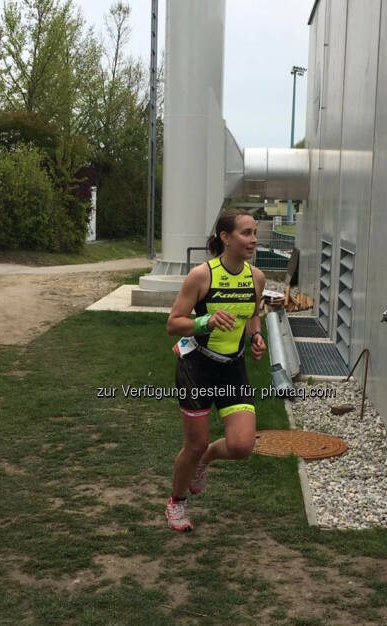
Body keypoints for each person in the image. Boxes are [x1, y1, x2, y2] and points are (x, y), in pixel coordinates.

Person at [165, 208, 267, 532]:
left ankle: (206, 459)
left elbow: (252, 314)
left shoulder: (257, 278)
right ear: (225, 237)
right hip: (197, 367)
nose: (253, 240)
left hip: (232, 368)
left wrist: (256, 336)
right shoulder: (201, 276)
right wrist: (205, 321)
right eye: (245, 233)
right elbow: (172, 324)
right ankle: (176, 503)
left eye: (254, 233)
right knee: (192, 445)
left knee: (241, 446)